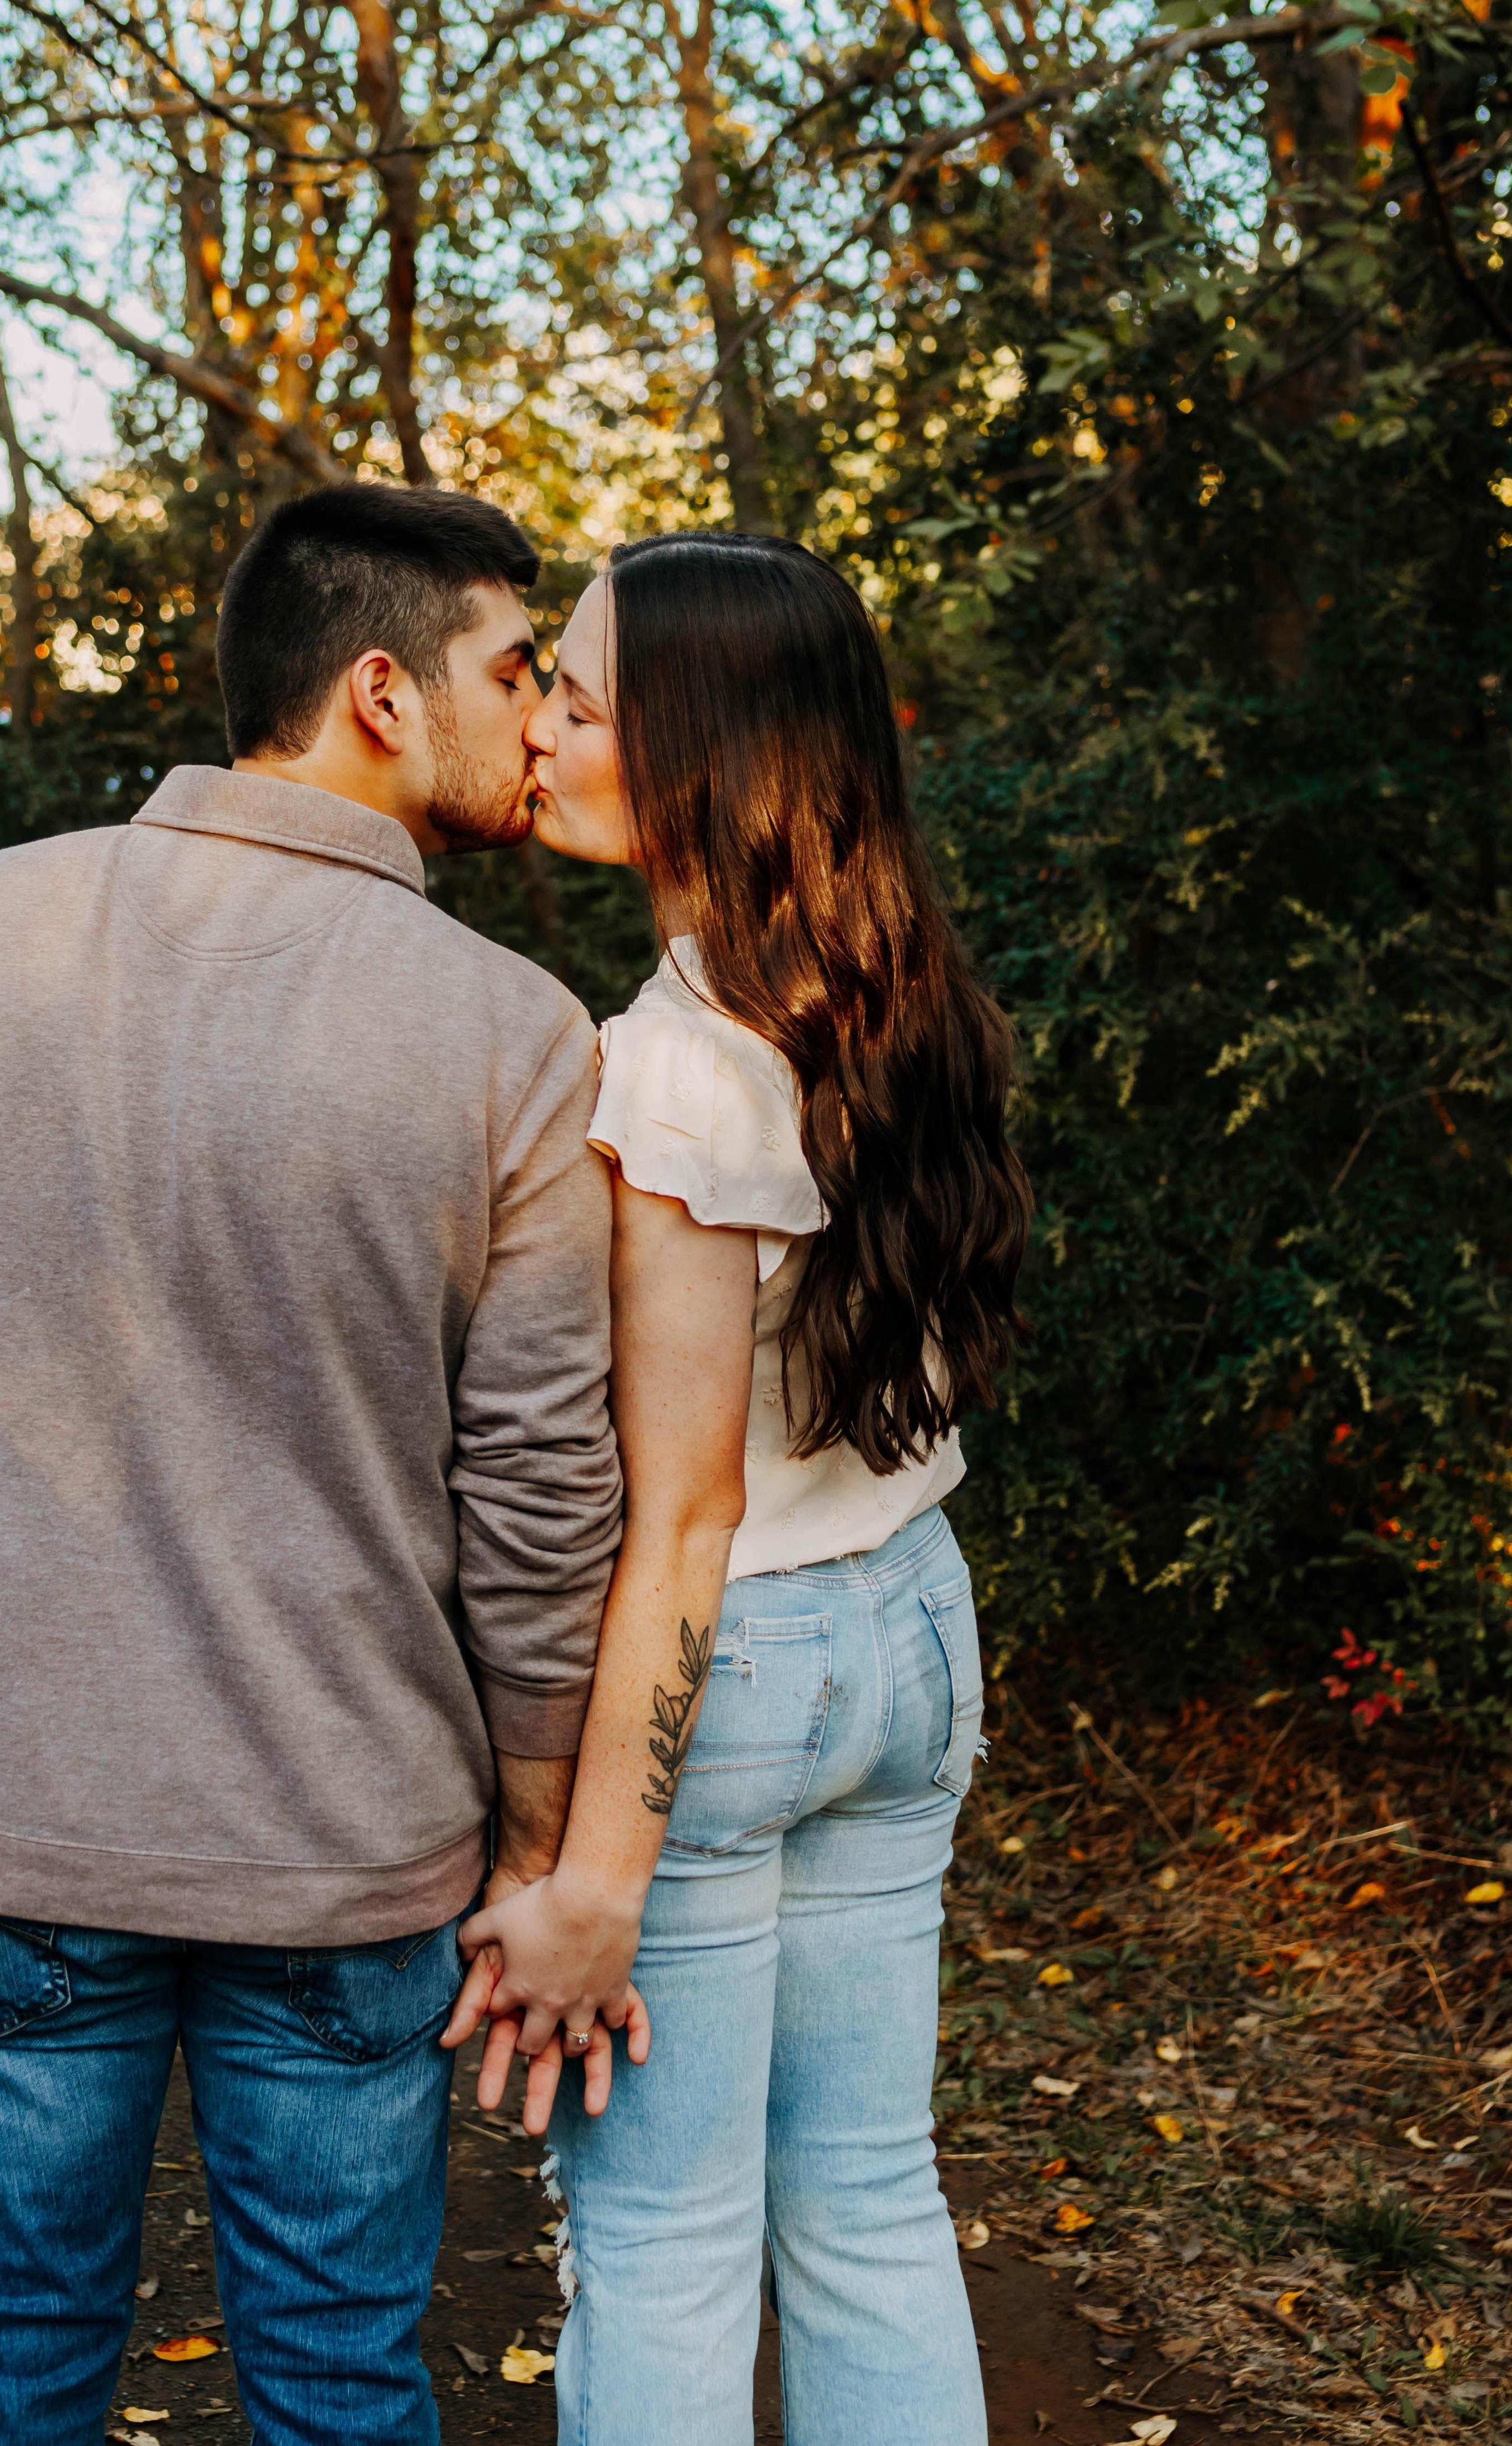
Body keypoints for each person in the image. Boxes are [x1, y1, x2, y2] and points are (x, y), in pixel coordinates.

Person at [0, 483, 636, 2446]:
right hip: (347, 1840)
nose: (545, 718)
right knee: (337, 2382)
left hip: (11, 1815)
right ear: (385, 693)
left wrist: (4, 1396)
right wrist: (534, 1833)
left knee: (9, 2363)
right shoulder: (514, 1035)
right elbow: (540, 1498)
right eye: (517, 670)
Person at [448, 533, 1034, 2443]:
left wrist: (593, 1880)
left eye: (580, 702)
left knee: (667, 2243)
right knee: (869, 2203)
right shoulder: (891, 992)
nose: (539, 732)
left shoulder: (673, 1070)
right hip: (914, 1626)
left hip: (738, 1671)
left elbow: (684, 1516)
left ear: (702, 751)